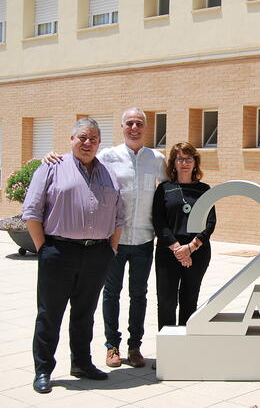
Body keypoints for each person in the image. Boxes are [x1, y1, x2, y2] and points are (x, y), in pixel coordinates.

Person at [44, 108, 167, 368]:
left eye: (139, 123)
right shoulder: (107, 156)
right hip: (114, 239)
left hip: (144, 239)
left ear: (146, 127)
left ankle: (135, 347)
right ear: (121, 127)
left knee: (140, 294)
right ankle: (112, 346)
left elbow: (171, 188)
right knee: (111, 293)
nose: (135, 127)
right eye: (130, 123)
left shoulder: (156, 159)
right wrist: (52, 156)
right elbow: (79, 161)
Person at [23, 118, 124, 393]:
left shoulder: (109, 174)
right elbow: (32, 212)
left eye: (93, 139)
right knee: (49, 314)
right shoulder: (51, 167)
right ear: (71, 139)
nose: (87, 143)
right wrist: (44, 248)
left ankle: (81, 363)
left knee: (85, 314)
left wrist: (111, 250)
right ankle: (43, 370)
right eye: (82, 137)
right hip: (59, 252)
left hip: (97, 254)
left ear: (99, 143)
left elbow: (118, 217)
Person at [152, 142, 216, 329]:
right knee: (166, 302)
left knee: (190, 300)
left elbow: (210, 222)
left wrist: (191, 247)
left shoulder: (204, 190)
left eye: (188, 159)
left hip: (198, 251)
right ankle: (167, 347)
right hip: (168, 252)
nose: (184, 163)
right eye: (180, 159)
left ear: (195, 162)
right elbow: (159, 223)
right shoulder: (164, 189)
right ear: (173, 163)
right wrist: (178, 249)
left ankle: (185, 347)